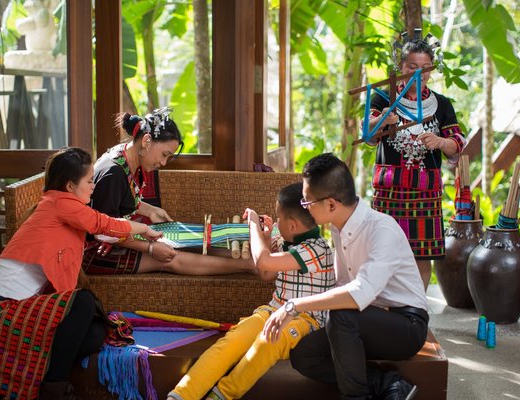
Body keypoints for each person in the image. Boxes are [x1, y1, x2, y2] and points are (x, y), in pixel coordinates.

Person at [0, 147, 163, 400]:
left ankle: (47, 371)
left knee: (95, 334)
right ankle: (54, 386)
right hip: (0, 308)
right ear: (70, 185)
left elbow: (102, 229)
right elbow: (103, 223)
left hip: (23, 306)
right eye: (89, 181)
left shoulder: (63, 206)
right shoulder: (60, 203)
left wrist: (135, 232)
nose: (93, 186)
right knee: (84, 302)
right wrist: (146, 232)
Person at [264, 153, 428, 400]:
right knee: (304, 354)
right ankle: (387, 382)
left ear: (331, 204)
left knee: (341, 313)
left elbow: (359, 292)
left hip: (405, 327)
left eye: (308, 203)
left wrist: (294, 305)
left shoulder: (382, 228)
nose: (305, 208)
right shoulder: (339, 229)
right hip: (362, 321)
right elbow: (342, 285)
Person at [166, 182, 335, 400]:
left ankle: (221, 395)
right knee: (233, 340)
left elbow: (264, 262)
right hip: (274, 310)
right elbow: (266, 274)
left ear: (292, 225)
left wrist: (253, 226)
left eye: (279, 219)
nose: (276, 224)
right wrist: (266, 239)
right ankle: (181, 395)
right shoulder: (287, 241)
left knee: (271, 340)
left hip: (306, 319)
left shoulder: (317, 249)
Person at [82, 108, 255, 275]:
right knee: (172, 258)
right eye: (164, 154)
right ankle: (247, 266)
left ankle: (253, 255)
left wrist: (151, 210)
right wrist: (150, 248)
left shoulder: (129, 158)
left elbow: (120, 200)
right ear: (146, 141)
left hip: (116, 236)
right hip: (97, 250)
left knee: (182, 241)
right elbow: (104, 231)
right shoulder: (113, 172)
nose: (164, 163)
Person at [365, 35, 466, 289]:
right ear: (401, 66)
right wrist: (382, 121)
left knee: (422, 254)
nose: (418, 73)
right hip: (390, 190)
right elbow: (367, 134)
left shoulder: (442, 104)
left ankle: (417, 310)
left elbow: (457, 143)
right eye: (412, 67)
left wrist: (441, 142)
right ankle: (386, 307)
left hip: (425, 190)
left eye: (424, 68)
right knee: (384, 252)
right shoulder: (382, 98)